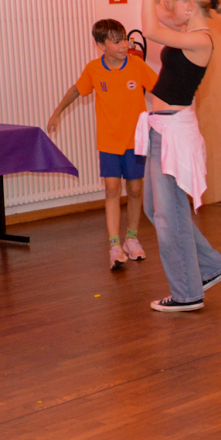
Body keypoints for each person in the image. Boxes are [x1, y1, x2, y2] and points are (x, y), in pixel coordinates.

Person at [136, 0, 221, 312]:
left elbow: (150, 27)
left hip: (173, 134)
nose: (168, 7)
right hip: (161, 129)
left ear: (190, 6)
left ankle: (187, 293)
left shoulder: (200, 40)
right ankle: (208, 267)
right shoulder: (185, 26)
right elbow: (160, 12)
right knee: (156, 209)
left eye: (175, 2)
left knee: (169, 215)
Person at [48, 19, 157, 270]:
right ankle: (114, 245)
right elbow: (76, 90)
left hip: (135, 140)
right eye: (116, 41)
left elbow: (161, 88)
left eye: (124, 39)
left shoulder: (137, 65)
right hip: (108, 141)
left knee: (135, 190)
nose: (124, 45)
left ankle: (132, 238)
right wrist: (57, 112)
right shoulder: (94, 69)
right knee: (111, 189)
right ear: (101, 45)